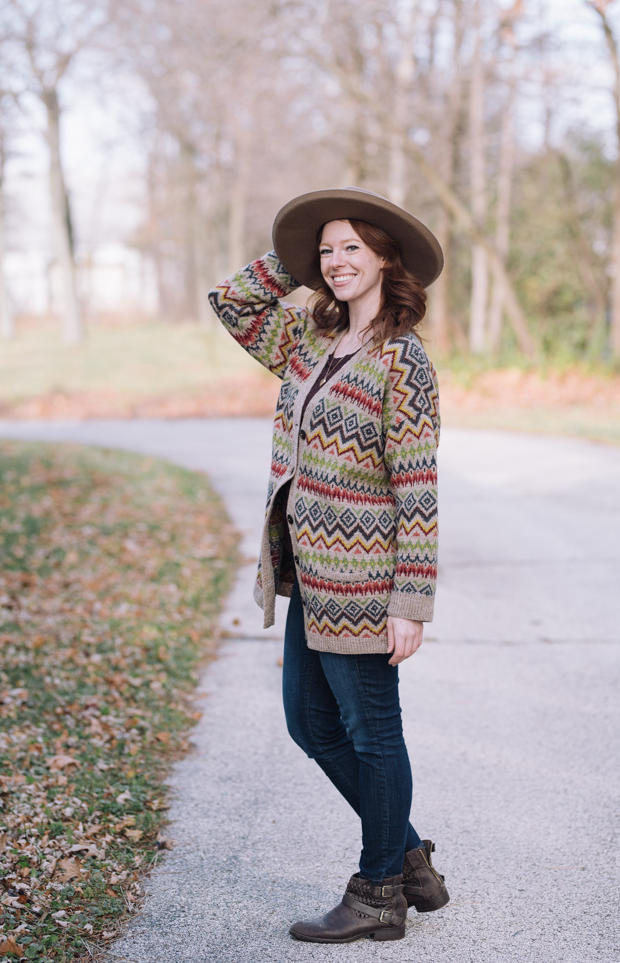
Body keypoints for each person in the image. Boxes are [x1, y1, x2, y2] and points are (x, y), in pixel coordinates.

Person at [208, 186, 449, 944]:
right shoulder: (309, 344)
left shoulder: (403, 361)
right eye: (327, 249)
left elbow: (418, 487)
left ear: (385, 258)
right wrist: (291, 261)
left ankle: (380, 888)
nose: (337, 261)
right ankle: (407, 855)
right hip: (309, 574)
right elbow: (233, 304)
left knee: (373, 733)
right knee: (310, 723)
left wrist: (411, 600)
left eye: (352, 247)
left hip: (368, 583)